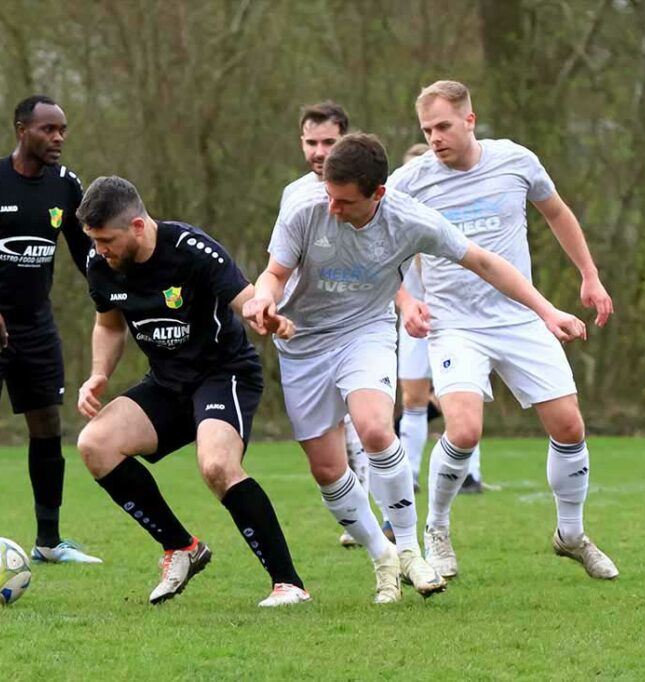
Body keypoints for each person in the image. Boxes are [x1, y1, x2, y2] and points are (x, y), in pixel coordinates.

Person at [244, 133, 587, 604]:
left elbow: (486, 262)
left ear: (378, 194)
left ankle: (410, 549)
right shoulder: (304, 208)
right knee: (327, 468)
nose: (333, 209)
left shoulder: (410, 221)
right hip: (303, 343)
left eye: (344, 202)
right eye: (329, 197)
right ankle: (381, 553)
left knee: (375, 430)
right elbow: (274, 275)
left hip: (366, 332)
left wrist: (547, 311)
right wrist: (263, 298)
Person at [388, 80, 618, 581]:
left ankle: (571, 535)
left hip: (519, 315)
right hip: (454, 324)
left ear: (470, 120)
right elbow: (380, 247)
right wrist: (405, 298)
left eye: (444, 126)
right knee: (464, 430)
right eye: (427, 130)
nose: (435, 138)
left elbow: (556, 212)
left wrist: (590, 275)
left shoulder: (515, 161)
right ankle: (438, 530)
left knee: (570, 427)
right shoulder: (410, 182)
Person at [75, 176, 310, 607]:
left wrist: (263, 312)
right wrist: (98, 375)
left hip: (224, 374)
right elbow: (108, 324)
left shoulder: (191, 249)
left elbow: (245, 299)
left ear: (139, 227)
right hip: (167, 384)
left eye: (107, 239)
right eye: (94, 240)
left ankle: (288, 584)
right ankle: (181, 547)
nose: (100, 250)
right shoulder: (99, 264)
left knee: (217, 465)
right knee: (95, 444)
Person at [0, 95, 100, 567]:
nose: (59, 139)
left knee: (48, 422)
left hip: (36, 324)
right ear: (21, 130)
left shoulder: (67, 186)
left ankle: (49, 541)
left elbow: (82, 251)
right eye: (49, 129)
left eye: (63, 130)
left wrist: (112, 294)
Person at [277, 101, 375, 548]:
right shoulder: (294, 195)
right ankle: (363, 520)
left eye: (329, 142)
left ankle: (377, 516)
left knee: (364, 422)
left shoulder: (369, 194)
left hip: (353, 324)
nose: (319, 151)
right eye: (311, 142)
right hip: (304, 329)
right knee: (328, 443)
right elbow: (279, 266)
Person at [394, 143, 485, 493]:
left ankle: (470, 475)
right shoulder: (394, 221)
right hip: (415, 318)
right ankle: (410, 473)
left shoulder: (452, 217)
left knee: (464, 396)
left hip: (458, 319)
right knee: (413, 399)